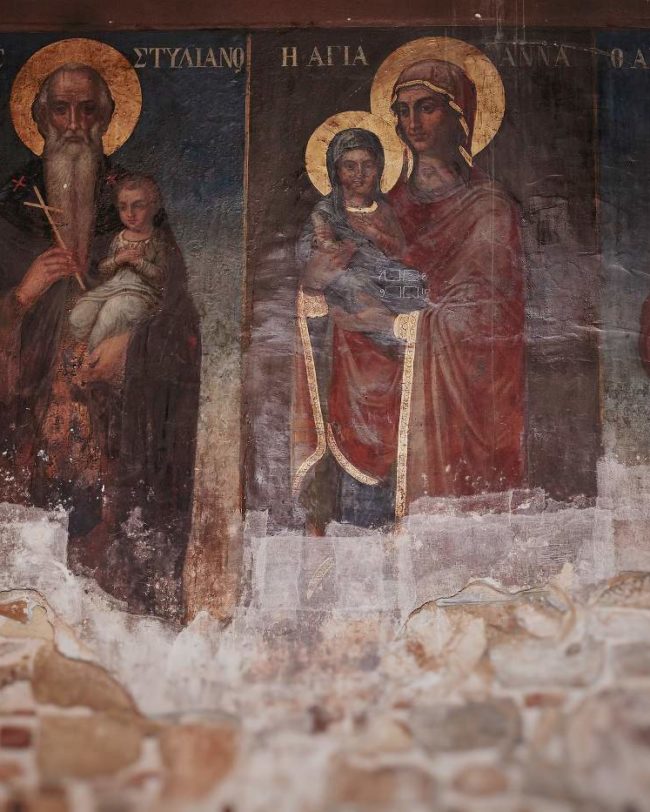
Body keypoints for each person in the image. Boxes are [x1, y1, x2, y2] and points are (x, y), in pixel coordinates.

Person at [0, 62, 201, 618]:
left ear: (107, 118)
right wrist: (23, 295)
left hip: (116, 427)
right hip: (30, 423)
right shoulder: (12, 208)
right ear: (39, 117)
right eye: (60, 109)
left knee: (109, 574)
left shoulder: (133, 201)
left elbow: (179, 316)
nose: (73, 124)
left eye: (87, 110)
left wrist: (131, 349)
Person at [296, 57, 525, 525]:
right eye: (402, 110)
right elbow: (330, 301)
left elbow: (490, 319)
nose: (412, 122)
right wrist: (312, 287)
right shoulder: (382, 208)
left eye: (427, 107)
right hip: (365, 397)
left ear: (459, 118)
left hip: (449, 409)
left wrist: (397, 325)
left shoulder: (488, 209)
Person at [302, 128, 428, 323]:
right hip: (349, 283)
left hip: (385, 274)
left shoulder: (385, 209)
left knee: (414, 281)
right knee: (357, 285)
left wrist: (373, 233)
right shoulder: (326, 211)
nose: (359, 174)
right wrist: (329, 246)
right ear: (336, 171)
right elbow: (310, 254)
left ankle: (403, 325)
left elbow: (400, 251)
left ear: (379, 168)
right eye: (350, 166)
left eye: (368, 165)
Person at [70, 174, 167, 352]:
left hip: (141, 293)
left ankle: (91, 357)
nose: (130, 213)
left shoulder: (157, 239)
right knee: (80, 315)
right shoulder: (119, 238)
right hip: (112, 288)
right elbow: (104, 271)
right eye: (123, 207)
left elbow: (161, 276)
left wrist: (139, 262)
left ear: (153, 207)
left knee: (111, 313)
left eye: (138, 206)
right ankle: (79, 351)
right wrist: (117, 260)